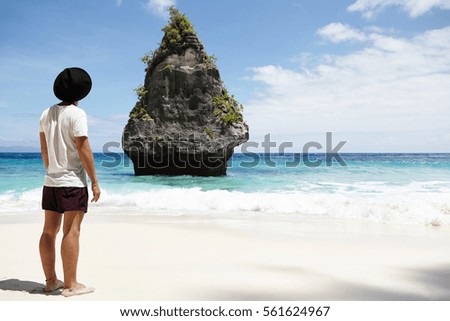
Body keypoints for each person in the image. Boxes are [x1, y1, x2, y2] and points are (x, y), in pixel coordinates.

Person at [39, 67, 100, 297]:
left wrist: (52, 171)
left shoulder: (45, 114)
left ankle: (51, 281)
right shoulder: (77, 114)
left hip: (51, 181)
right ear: (81, 93)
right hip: (72, 182)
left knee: (48, 231)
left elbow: (44, 150)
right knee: (71, 231)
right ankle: (71, 285)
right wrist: (94, 180)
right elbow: (83, 148)